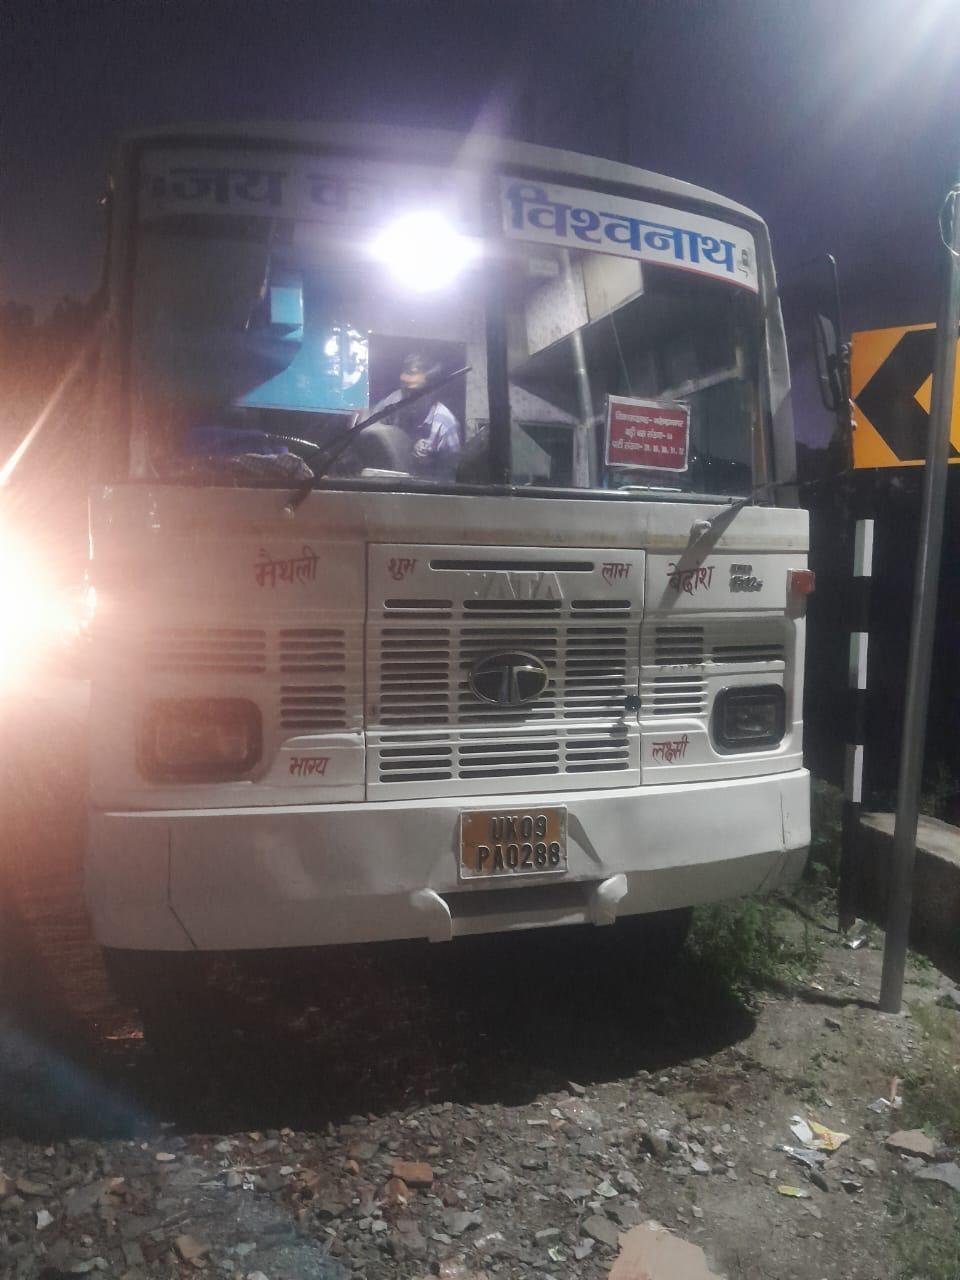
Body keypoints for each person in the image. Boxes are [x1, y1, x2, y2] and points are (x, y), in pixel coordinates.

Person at [374, 352, 462, 479]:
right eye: (404, 390)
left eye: (414, 393)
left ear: (432, 392)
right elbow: (369, 430)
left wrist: (432, 463)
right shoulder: (394, 401)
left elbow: (452, 477)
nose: (406, 398)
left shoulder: (446, 426)